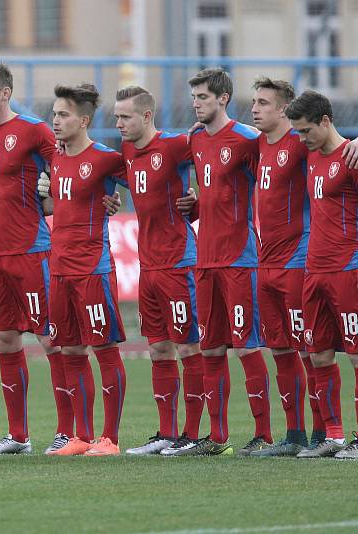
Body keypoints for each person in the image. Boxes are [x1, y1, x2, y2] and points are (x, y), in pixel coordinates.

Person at [0, 62, 71, 455]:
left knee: (51, 340)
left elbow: (67, 164)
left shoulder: (33, 131)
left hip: (32, 252)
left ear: (6, 93)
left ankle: (66, 431)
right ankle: (18, 436)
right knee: (6, 339)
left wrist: (56, 185)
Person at [112, 86, 206, 456]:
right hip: (148, 265)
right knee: (158, 350)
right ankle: (166, 433)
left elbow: (213, 161)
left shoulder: (175, 145)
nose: (118, 123)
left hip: (178, 263)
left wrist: (198, 196)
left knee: (187, 346)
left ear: (146, 116)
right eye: (116, 116)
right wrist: (110, 198)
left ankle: (193, 434)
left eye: (125, 117)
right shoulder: (127, 152)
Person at [182, 68, 268, 456]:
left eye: (203, 97)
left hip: (240, 259)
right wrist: (195, 206)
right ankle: (217, 439)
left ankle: (264, 434)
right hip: (205, 259)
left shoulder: (249, 139)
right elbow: (213, 190)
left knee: (246, 347)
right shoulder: (195, 138)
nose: (196, 103)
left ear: (223, 99)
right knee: (211, 349)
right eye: (194, 97)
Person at [43, 83, 128, 457]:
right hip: (59, 269)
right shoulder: (57, 159)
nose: (55, 121)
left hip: (92, 269)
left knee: (104, 350)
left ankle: (109, 438)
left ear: (84, 120)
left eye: (62, 115)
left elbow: (144, 185)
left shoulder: (107, 159)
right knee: (71, 351)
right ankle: (81, 435)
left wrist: (117, 198)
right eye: (54, 114)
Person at [248, 78, 325, 456]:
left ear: (284, 109)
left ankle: (323, 432)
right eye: (254, 102)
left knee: (310, 350)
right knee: (279, 350)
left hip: (297, 259)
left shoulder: (301, 143)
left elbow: (335, 147)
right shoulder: (257, 143)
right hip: (265, 261)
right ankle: (292, 435)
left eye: (263, 102)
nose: (255, 108)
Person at [285, 90, 358, 459]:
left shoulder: (352, 157)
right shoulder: (311, 154)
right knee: (319, 355)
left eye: (306, 130)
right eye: (297, 132)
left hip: (348, 270)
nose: (301, 138)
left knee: (357, 356)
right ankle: (333, 436)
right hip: (314, 271)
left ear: (326, 121)